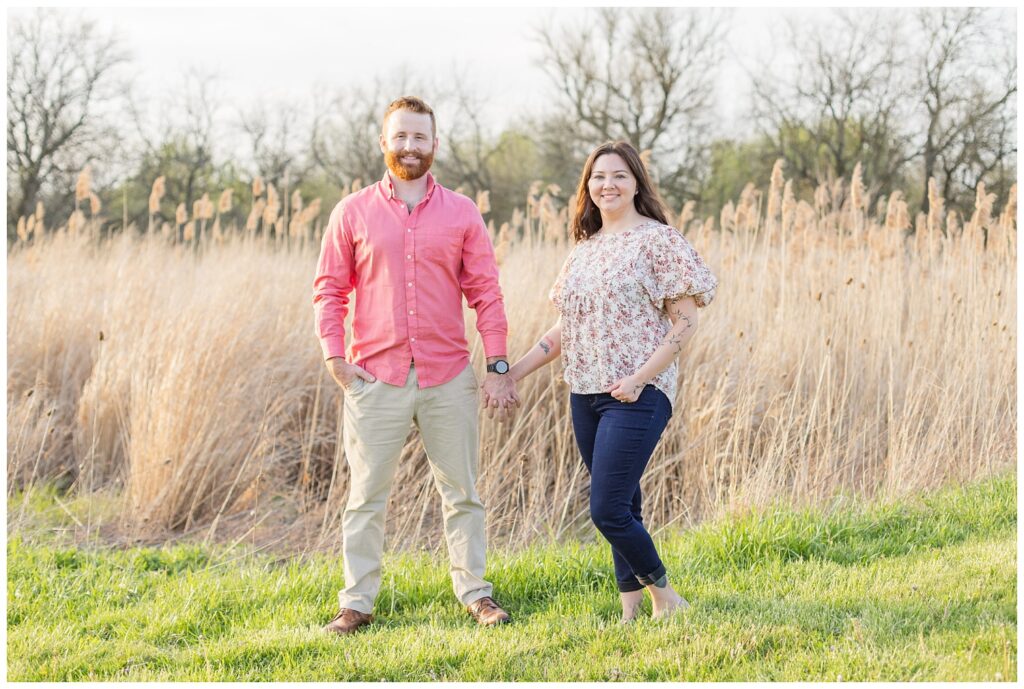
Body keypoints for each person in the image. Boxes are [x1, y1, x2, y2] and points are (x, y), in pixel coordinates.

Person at [313, 96, 519, 636]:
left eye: (420, 137)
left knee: (462, 494)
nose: (410, 146)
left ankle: (474, 591)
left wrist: (496, 363)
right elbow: (330, 290)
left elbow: (486, 293)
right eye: (400, 136)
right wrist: (334, 355)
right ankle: (357, 602)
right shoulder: (351, 213)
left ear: (434, 144)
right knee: (364, 499)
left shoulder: (462, 213)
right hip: (373, 378)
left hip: (447, 376)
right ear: (384, 142)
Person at [508, 141, 717, 623]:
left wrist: (641, 378)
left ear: (637, 182)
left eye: (619, 175)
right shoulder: (584, 251)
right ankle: (630, 610)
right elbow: (567, 328)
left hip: (639, 394)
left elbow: (685, 322)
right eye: (598, 177)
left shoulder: (658, 240)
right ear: (588, 187)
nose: (608, 185)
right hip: (585, 393)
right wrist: (512, 372)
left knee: (605, 507)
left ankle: (667, 598)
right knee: (625, 504)